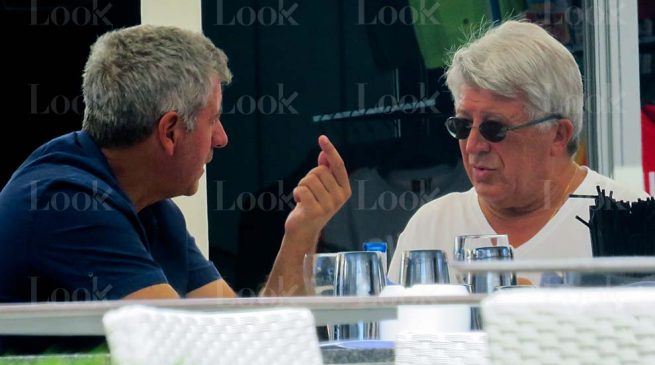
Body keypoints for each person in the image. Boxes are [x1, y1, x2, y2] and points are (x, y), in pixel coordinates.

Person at [0, 24, 351, 304]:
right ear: (170, 131)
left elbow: (242, 338)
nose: (222, 138)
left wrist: (302, 232)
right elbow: (205, 357)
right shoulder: (66, 205)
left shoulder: (151, 208)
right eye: (213, 120)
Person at [387, 20, 649, 286]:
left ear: (558, 135)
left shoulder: (629, 221)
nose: (473, 145)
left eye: (494, 128)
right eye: (462, 125)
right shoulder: (430, 228)